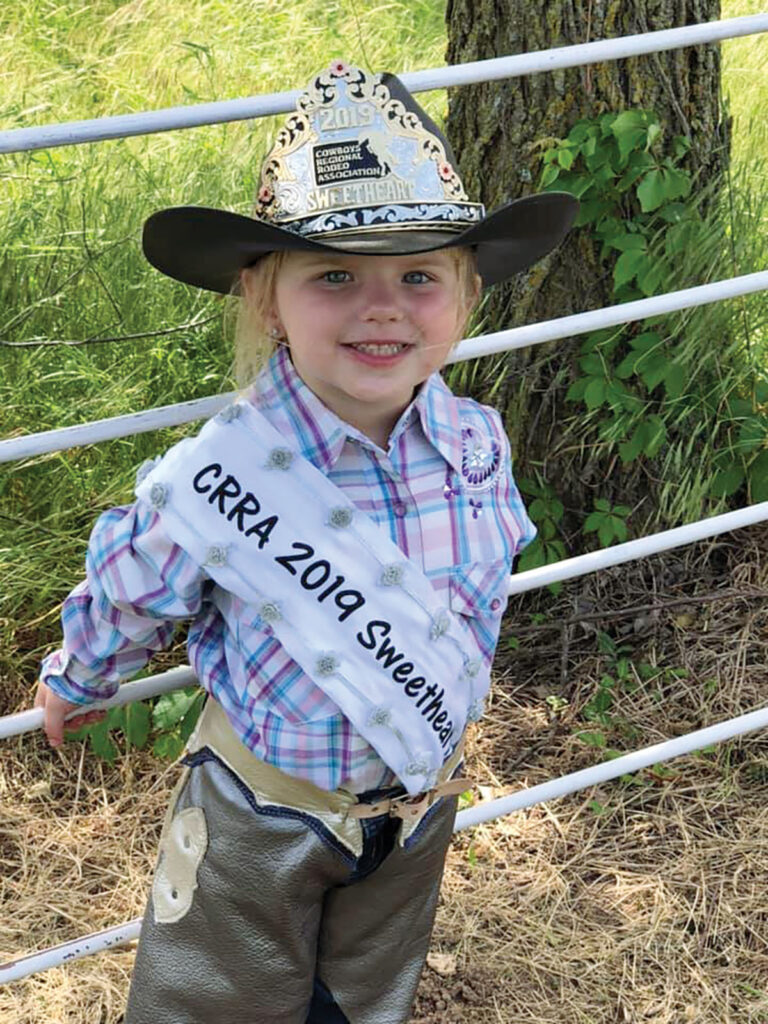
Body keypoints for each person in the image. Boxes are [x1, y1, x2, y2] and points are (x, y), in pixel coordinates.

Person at [34, 62, 577, 1024]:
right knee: (215, 997)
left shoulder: (476, 443)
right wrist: (79, 675)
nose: (383, 306)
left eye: (419, 275)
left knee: (366, 996)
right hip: (263, 808)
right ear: (266, 299)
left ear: (464, 295)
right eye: (336, 276)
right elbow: (135, 584)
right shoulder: (227, 473)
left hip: (416, 803)